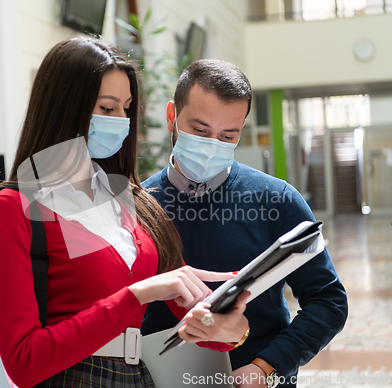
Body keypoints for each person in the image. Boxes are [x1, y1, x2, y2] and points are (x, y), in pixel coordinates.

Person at [0, 37, 250, 388]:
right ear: (65, 107)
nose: (122, 121)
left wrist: (232, 329)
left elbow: (195, 316)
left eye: (126, 108)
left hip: (137, 375)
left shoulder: (132, 199)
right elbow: (23, 361)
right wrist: (137, 295)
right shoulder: (16, 207)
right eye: (108, 109)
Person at [141, 60, 348, 387]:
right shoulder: (139, 204)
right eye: (200, 130)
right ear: (172, 116)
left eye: (228, 135)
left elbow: (328, 301)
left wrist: (266, 367)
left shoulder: (278, 200)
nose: (212, 146)